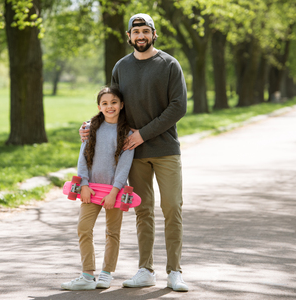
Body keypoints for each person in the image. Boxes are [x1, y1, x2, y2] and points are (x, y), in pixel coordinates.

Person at [80, 13, 188, 292]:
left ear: (154, 34)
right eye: (135, 31)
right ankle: (145, 269)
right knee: (143, 210)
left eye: (145, 31)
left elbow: (178, 107)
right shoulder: (121, 67)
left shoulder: (169, 65)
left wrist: (142, 134)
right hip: (132, 153)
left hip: (164, 149)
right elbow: (112, 104)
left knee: (172, 207)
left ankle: (174, 271)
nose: (140, 36)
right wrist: (90, 126)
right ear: (128, 36)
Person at [61, 86, 134, 291]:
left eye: (113, 102)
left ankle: (106, 273)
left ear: (121, 105)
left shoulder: (127, 133)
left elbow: (124, 166)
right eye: (105, 103)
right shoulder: (90, 128)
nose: (109, 106)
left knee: (113, 232)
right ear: (99, 106)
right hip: (90, 189)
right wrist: (83, 184)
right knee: (83, 228)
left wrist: (114, 192)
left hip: (115, 192)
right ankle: (87, 275)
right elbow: (82, 159)